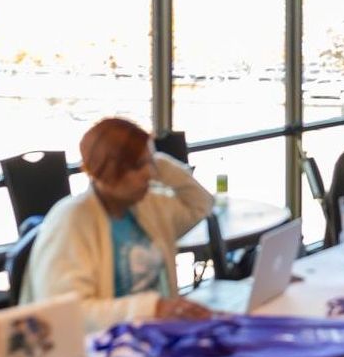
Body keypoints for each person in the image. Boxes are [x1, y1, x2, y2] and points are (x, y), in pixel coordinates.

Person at [22, 117, 215, 330]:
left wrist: (156, 160)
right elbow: (65, 313)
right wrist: (153, 308)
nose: (149, 174)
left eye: (149, 164)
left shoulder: (147, 206)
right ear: (106, 170)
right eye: (138, 166)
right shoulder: (72, 220)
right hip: (100, 351)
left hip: (155, 337)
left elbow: (201, 203)